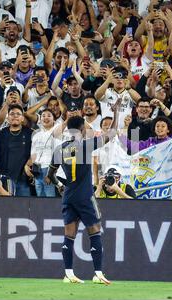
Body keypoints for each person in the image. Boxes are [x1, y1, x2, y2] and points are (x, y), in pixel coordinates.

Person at [47, 102, 119, 284]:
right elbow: (111, 133)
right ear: (81, 128)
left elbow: (49, 176)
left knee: (69, 235)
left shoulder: (59, 149)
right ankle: (98, 274)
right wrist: (116, 111)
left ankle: (69, 274)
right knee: (94, 232)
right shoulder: (86, 145)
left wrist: (59, 185)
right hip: (85, 196)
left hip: (68, 196)